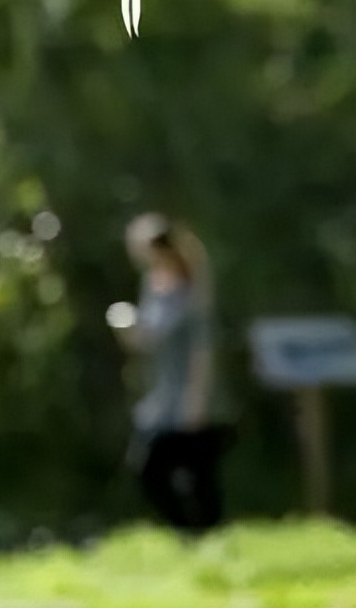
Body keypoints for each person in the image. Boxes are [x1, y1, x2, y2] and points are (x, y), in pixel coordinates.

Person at [111, 212, 232, 535]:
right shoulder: (153, 284)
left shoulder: (193, 287)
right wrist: (128, 328)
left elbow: (202, 347)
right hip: (163, 396)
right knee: (153, 471)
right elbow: (149, 340)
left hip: (195, 398)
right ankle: (191, 535)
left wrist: (197, 399)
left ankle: (207, 539)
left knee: (195, 474)